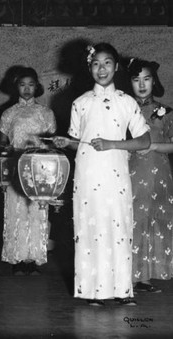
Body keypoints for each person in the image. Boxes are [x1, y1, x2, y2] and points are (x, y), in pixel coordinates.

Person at [54, 43, 150, 307]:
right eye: (96, 63)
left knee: (118, 227)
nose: (102, 68)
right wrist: (67, 143)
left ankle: (122, 291)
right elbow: (79, 141)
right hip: (87, 174)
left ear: (116, 66)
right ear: (89, 67)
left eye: (107, 63)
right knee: (89, 229)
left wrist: (112, 144)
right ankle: (92, 292)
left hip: (116, 174)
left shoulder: (127, 102)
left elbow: (144, 141)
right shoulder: (80, 103)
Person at [0, 66, 57, 276]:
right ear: (16, 87)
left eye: (31, 84)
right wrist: (6, 147)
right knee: (16, 211)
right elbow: (1, 139)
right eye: (22, 84)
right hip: (16, 166)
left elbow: (52, 140)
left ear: (37, 87)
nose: (27, 89)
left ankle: (33, 259)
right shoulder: (8, 113)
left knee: (36, 211)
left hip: (40, 168)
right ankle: (17, 259)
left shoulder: (46, 113)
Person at [126, 58, 173, 293]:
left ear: (154, 81)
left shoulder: (166, 112)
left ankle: (145, 277)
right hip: (131, 172)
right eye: (136, 79)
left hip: (160, 173)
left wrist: (154, 146)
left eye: (146, 79)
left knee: (154, 220)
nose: (142, 84)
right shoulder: (124, 109)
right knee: (133, 220)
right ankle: (129, 277)